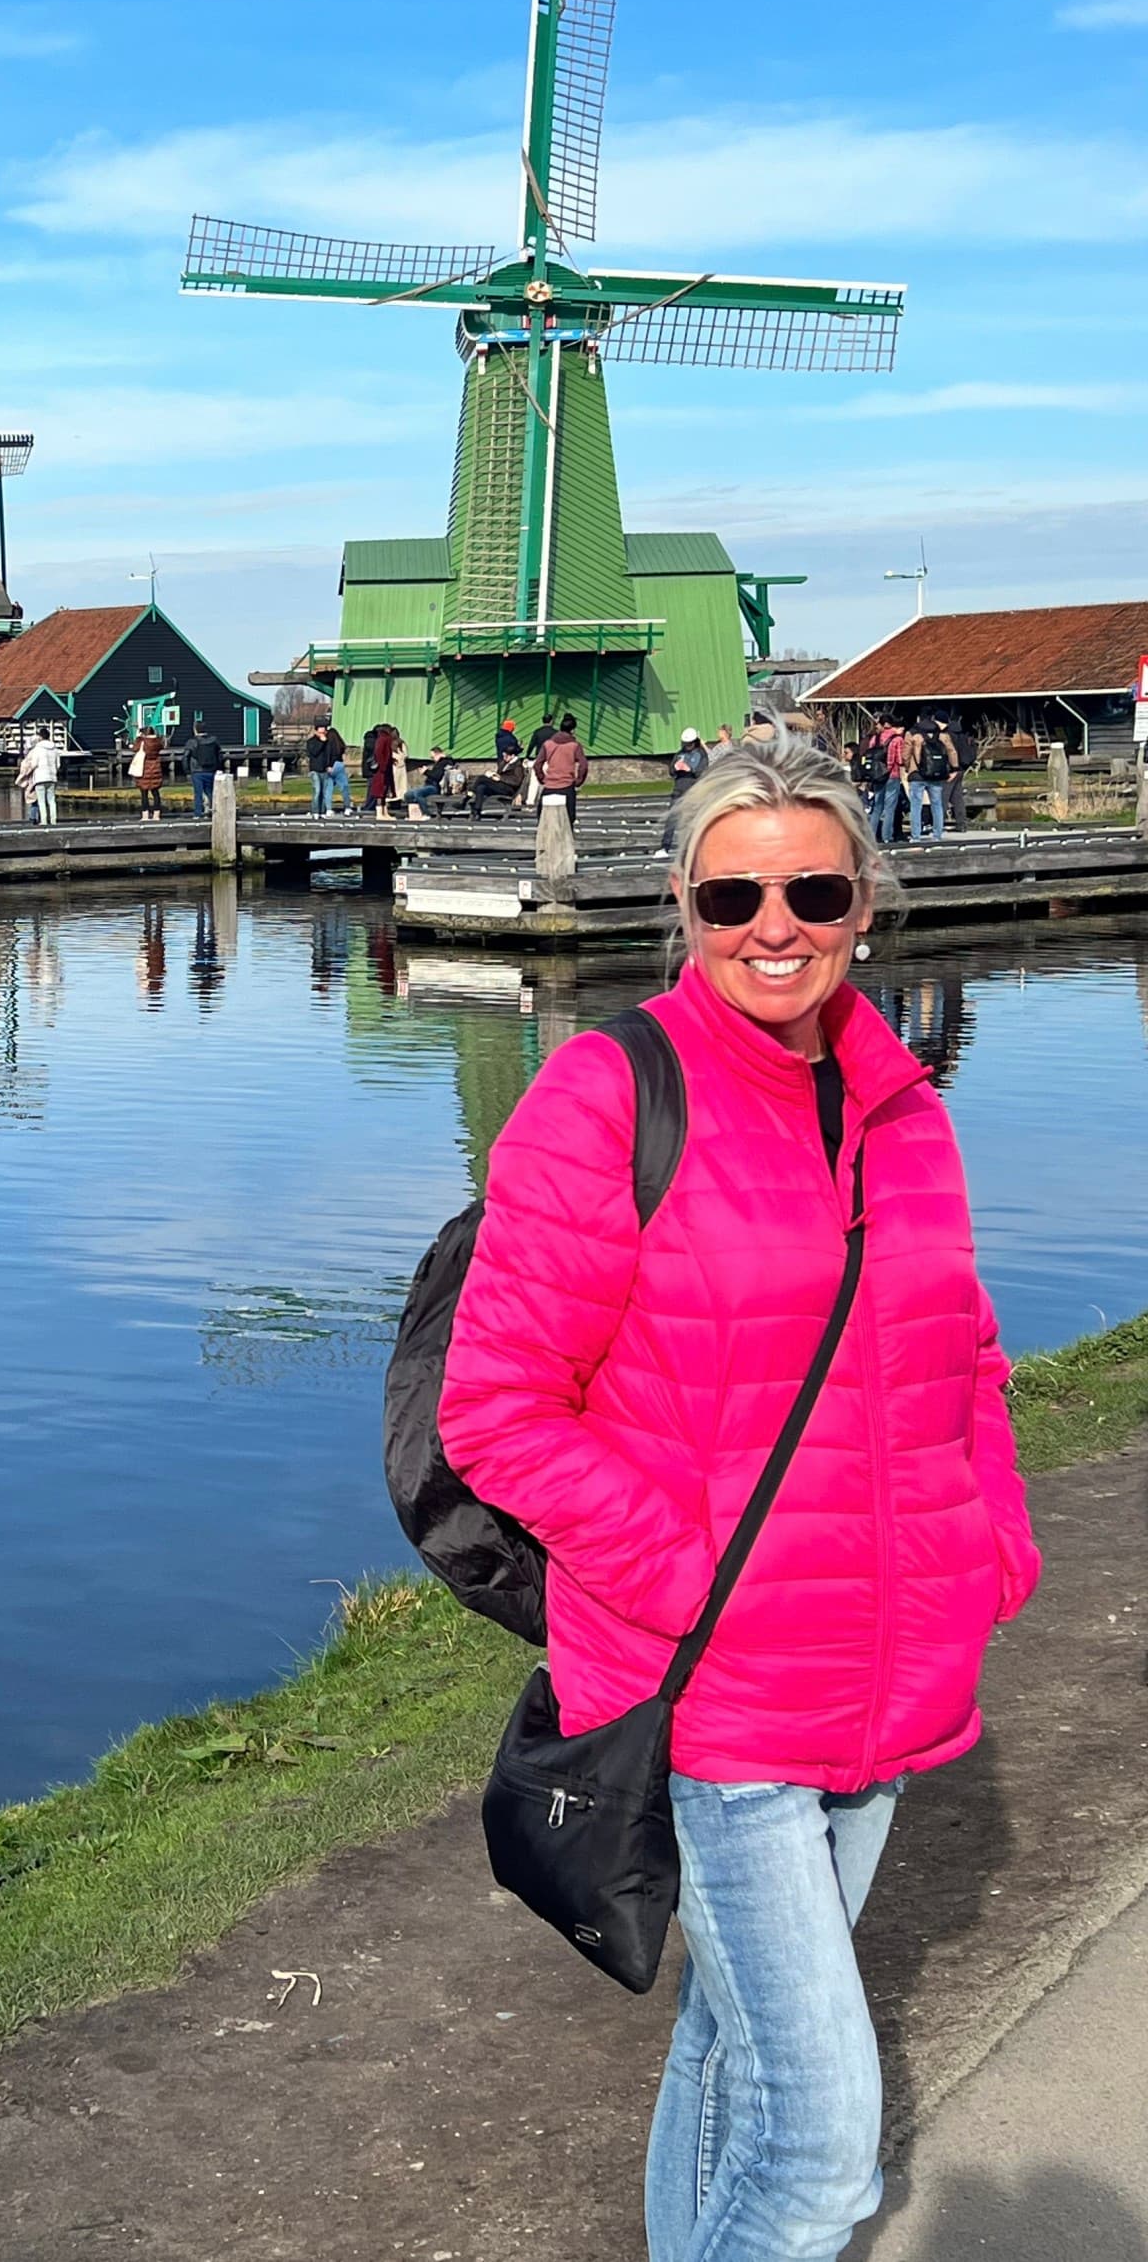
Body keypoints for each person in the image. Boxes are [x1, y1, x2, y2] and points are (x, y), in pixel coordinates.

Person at [439, 731, 1040, 2262]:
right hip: (718, 1690)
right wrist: (691, 1574)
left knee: (732, 2041)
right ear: (683, 903)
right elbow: (496, 1413)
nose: (776, 925)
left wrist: (990, 1546)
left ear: (865, 904)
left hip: (885, 1673)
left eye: (815, 886)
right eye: (736, 896)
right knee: (825, 2151)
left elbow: (963, 1355)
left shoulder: (911, 1111)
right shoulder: (604, 1097)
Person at [659, 727, 710, 856]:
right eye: (685, 744)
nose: (687, 746)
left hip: (693, 791)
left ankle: (696, 847)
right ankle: (665, 847)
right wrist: (676, 768)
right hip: (678, 789)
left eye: (689, 744)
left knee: (693, 820)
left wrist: (689, 769)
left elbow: (701, 772)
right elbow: (671, 771)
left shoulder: (701, 755)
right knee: (672, 818)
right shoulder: (679, 754)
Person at [537, 710, 589, 825]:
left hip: (549, 784)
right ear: (573, 730)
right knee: (569, 819)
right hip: (567, 784)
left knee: (542, 817)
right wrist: (578, 780)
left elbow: (538, 764)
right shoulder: (574, 746)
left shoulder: (548, 744)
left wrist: (542, 778)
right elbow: (583, 765)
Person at [911, 713, 953, 844]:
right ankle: (937, 834)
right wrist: (954, 768)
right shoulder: (943, 737)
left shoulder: (916, 737)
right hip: (936, 774)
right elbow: (952, 751)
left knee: (916, 806)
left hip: (918, 775)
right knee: (937, 805)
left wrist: (913, 767)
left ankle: (916, 835)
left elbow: (912, 754)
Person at [872, 717, 908, 848]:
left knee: (877, 807)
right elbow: (900, 760)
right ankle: (886, 837)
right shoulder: (897, 739)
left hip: (877, 776)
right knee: (889, 808)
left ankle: (872, 836)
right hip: (892, 775)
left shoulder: (874, 739)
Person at [17, 729, 61, 826]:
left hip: (40, 778)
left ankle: (44, 821)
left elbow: (34, 764)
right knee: (51, 800)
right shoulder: (55, 749)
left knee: (41, 801)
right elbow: (58, 764)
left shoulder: (37, 749)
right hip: (52, 777)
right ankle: (53, 821)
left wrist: (27, 772)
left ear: (40, 737)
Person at [188, 719, 224, 818]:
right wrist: (218, 767)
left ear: (195, 729)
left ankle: (198, 813)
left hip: (197, 771)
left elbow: (185, 756)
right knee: (210, 791)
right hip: (211, 770)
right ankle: (212, 812)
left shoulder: (192, 742)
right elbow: (220, 755)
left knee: (198, 793)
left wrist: (187, 770)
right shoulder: (214, 740)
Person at [307, 720, 342, 817]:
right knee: (317, 790)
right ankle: (315, 811)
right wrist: (321, 742)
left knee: (324, 791)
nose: (323, 731)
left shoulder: (329, 742)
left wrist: (331, 765)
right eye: (321, 729)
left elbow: (331, 754)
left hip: (325, 769)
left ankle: (322, 811)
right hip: (315, 769)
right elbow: (314, 752)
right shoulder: (311, 742)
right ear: (317, 730)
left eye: (324, 729)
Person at [135, 723, 165, 820]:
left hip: (144, 769)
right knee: (155, 792)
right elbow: (161, 746)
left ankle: (145, 815)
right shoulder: (157, 742)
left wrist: (138, 738)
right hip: (155, 768)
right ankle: (157, 814)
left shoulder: (142, 742)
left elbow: (134, 748)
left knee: (144, 793)